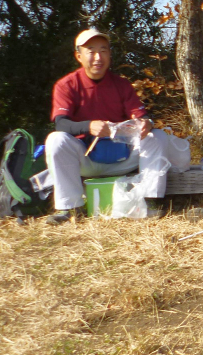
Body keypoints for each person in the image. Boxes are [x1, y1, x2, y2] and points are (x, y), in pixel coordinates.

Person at [44, 28, 171, 224]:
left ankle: (148, 200)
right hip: (86, 157)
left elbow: (141, 115)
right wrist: (89, 126)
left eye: (103, 50)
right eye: (91, 51)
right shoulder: (66, 85)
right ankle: (69, 207)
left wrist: (147, 122)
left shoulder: (122, 85)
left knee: (157, 136)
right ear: (79, 56)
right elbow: (61, 124)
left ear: (110, 55)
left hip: (122, 154)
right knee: (56, 140)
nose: (98, 57)